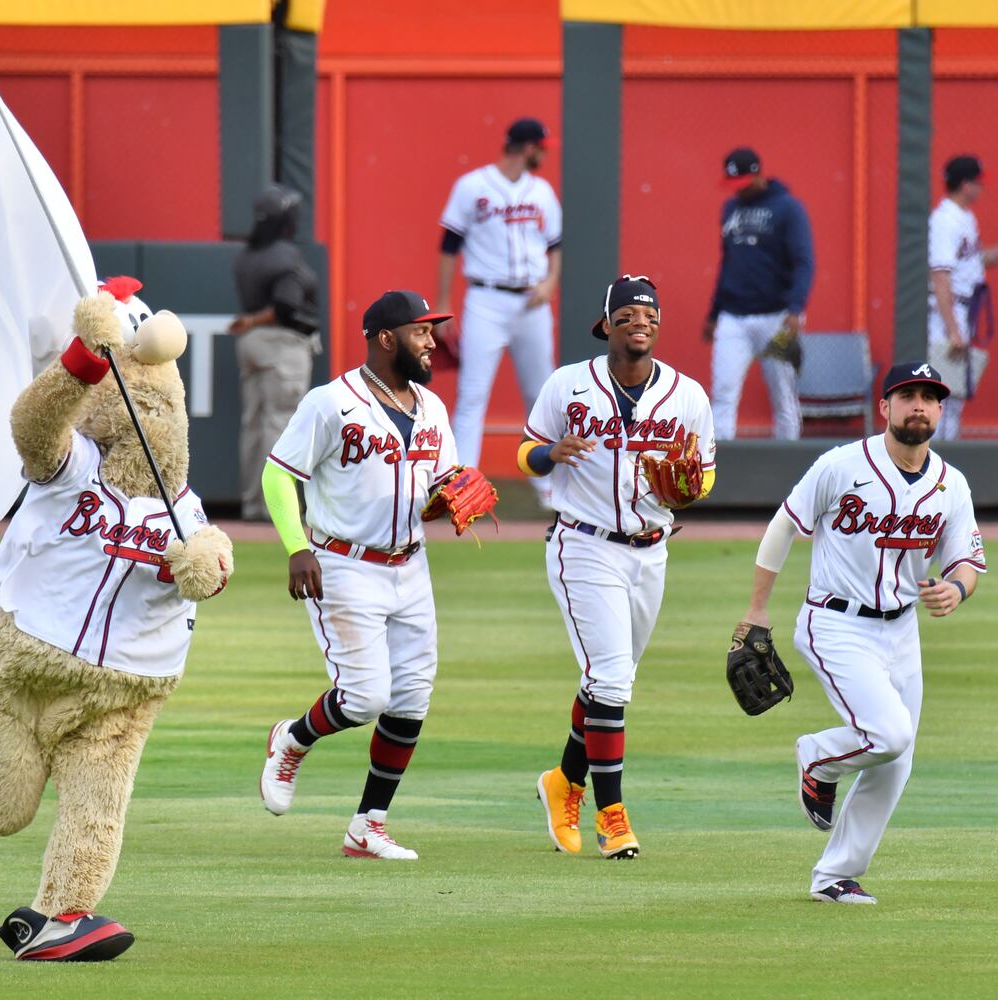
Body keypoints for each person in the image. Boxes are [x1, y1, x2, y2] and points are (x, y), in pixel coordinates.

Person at [734, 361, 986, 904]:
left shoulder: (951, 484)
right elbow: (784, 527)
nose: (919, 405)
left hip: (902, 631)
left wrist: (957, 590)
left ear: (942, 410)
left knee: (898, 760)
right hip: (835, 622)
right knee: (889, 735)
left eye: (929, 397)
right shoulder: (842, 465)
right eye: (907, 395)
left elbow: (968, 560)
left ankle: (833, 876)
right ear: (885, 408)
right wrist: (756, 611)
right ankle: (816, 757)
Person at [256, 290, 464, 860]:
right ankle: (292, 738)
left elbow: (437, 489)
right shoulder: (331, 402)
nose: (431, 341)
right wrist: (296, 547)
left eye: (432, 331)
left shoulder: (432, 407)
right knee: (366, 696)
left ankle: (368, 825)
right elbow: (279, 476)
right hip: (344, 564)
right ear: (385, 338)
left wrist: (449, 500)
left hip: (411, 565)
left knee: (411, 700)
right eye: (421, 331)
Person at [520, 275, 716, 860]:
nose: (640, 322)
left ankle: (562, 782)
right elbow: (525, 454)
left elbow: (705, 475)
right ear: (606, 325)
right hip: (583, 545)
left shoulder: (688, 396)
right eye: (627, 313)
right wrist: (550, 453)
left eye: (649, 314)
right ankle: (613, 815)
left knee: (608, 681)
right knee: (610, 681)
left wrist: (687, 486)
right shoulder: (567, 386)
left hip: (652, 551)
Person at [435, 117, 561, 502]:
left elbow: (556, 244)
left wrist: (551, 282)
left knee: (541, 394)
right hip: (486, 299)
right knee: (473, 392)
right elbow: (448, 245)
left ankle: (549, 484)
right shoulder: (473, 186)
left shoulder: (540, 190)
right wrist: (442, 302)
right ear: (528, 147)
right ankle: (461, 485)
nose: (543, 153)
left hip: (531, 302)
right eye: (541, 146)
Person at [703, 147, 815, 440]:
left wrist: (795, 309)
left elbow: (804, 261)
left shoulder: (788, 208)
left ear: (758, 175)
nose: (737, 191)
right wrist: (714, 313)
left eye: (742, 183)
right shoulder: (730, 208)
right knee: (722, 394)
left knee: (784, 397)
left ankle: (788, 468)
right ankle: (719, 467)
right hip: (733, 317)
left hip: (776, 316)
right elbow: (727, 263)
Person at [230, 184, 321, 521]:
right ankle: (275, 507)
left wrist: (250, 321)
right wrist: (256, 318)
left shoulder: (247, 254)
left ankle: (254, 503)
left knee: (253, 423)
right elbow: (286, 305)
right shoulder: (285, 254)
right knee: (279, 424)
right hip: (281, 344)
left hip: (252, 343)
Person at [927, 155, 998, 439]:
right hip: (945, 313)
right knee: (939, 396)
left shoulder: (965, 217)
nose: (982, 189)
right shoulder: (944, 220)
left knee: (954, 396)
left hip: (963, 309)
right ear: (965, 184)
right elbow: (940, 276)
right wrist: (953, 330)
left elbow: (976, 262)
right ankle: (930, 466)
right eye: (978, 183)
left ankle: (945, 464)